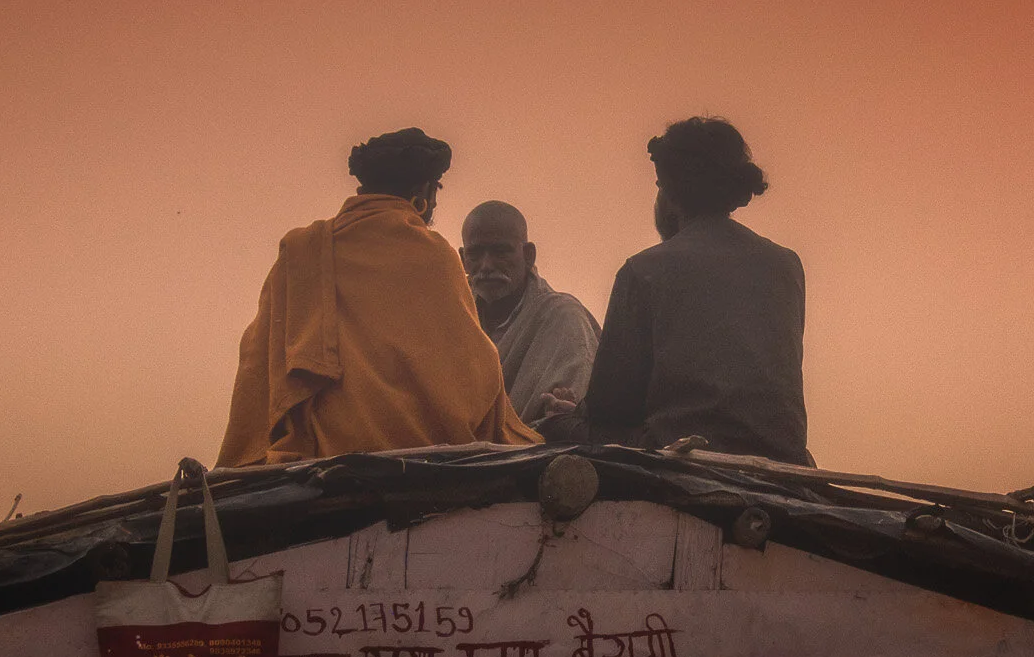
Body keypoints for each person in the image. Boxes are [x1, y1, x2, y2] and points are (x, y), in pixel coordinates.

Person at [218, 128, 539, 466]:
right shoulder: (434, 257)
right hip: (418, 460)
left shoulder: (301, 252)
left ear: (363, 189)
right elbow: (477, 379)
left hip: (311, 461)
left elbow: (256, 366)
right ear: (423, 195)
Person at [540, 117, 810, 466]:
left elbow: (611, 407)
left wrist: (571, 416)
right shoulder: (786, 265)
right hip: (781, 455)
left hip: (680, 450)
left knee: (553, 427)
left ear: (667, 190)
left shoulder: (644, 269)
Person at [459, 200, 601, 429]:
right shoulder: (452, 317)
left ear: (528, 255)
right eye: (475, 254)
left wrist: (565, 415)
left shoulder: (563, 318)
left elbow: (575, 416)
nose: (486, 265)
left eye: (500, 252)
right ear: (462, 260)